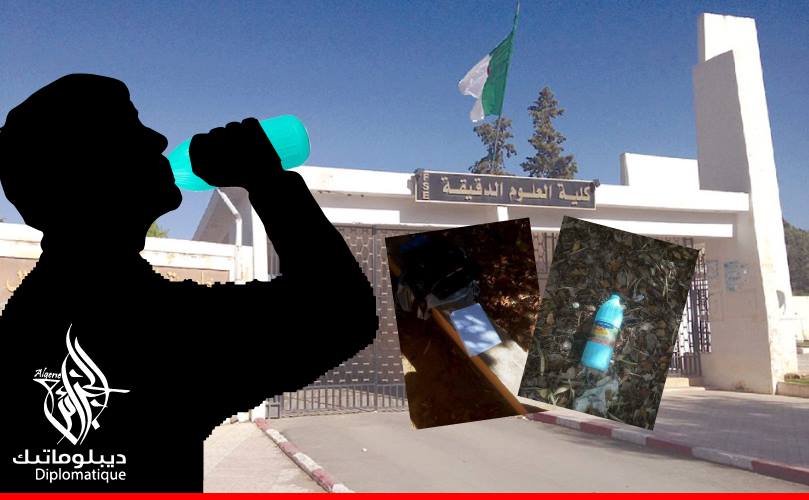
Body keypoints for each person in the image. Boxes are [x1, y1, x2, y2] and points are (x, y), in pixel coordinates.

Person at [0, 74, 379, 492]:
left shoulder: (30, 319)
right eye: (132, 126)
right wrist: (264, 177)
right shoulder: (154, 326)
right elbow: (343, 312)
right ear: (87, 167)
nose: (160, 139)